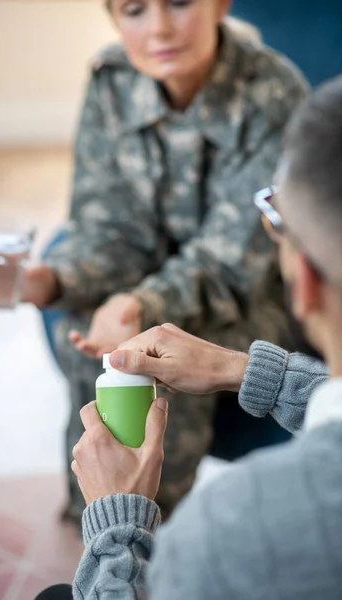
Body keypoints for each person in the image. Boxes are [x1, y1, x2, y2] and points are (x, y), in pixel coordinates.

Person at [0, 0, 308, 525]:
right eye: (134, 10)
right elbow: (107, 225)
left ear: (219, 4)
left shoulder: (275, 93)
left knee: (156, 352)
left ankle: (147, 532)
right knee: (95, 333)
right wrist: (51, 279)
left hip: (251, 296)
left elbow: (234, 260)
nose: (160, 29)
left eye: (178, 3)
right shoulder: (111, 80)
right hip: (148, 274)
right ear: (113, 19)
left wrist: (139, 303)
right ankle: (95, 516)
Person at [69, 76, 342, 598]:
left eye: (275, 217)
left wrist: (115, 527)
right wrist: (246, 370)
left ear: (304, 283)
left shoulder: (236, 529)